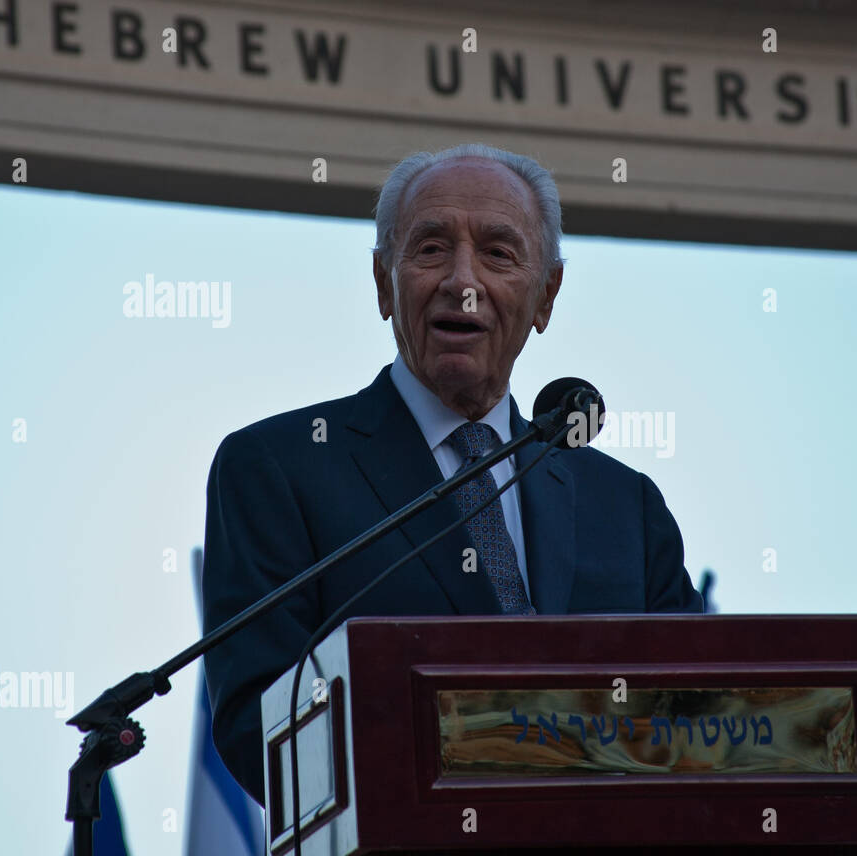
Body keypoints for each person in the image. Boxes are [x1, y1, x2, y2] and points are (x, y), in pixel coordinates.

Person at [201, 143, 703, 806]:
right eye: (431, 248)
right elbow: (260, 729)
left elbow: (699, 716)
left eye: (498, 253)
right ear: (385, 283)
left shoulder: (625, 506)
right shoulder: (278, 468)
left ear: (546, 295)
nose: (462, 280)